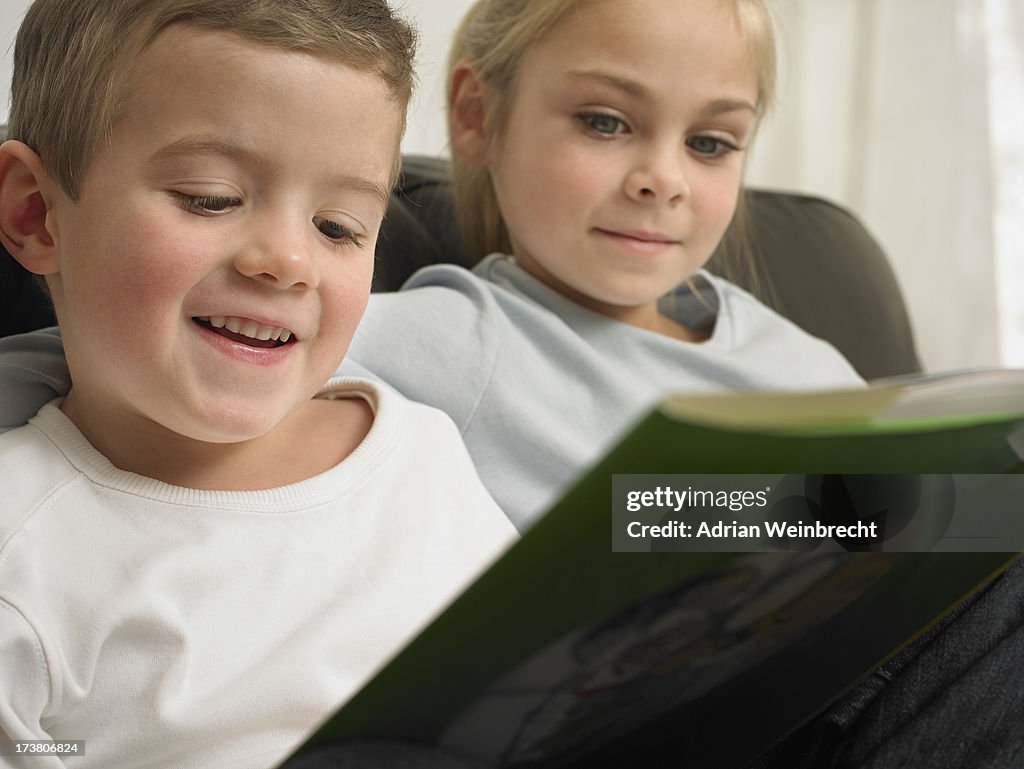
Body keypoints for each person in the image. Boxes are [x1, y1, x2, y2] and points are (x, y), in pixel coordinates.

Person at [0, 0, 864, 532]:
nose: (662, 180)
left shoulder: (803, 358)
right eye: (605, 122)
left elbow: (926, 518)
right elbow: (132, 354)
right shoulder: (456, 342)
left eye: (712, 143)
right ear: (478, 115)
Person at [0, 2, 516, 768]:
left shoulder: (421, 453)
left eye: (338, 226)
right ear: (38, 214)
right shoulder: (24, 546)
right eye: (211, 197)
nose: (287, 261)